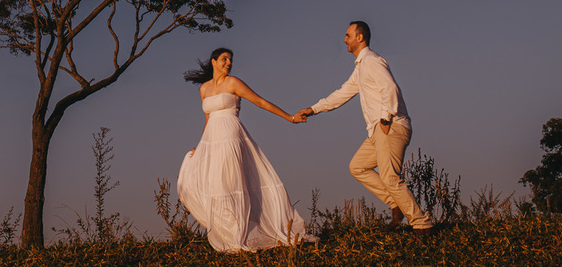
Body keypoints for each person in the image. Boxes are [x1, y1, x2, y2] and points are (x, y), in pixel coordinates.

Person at [297, 21, 433, 231]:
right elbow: (342, 93)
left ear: (359, 38)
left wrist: (386, 117)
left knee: (390, 177)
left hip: (390, 125)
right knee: (358, 167)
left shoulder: (371, 60)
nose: (344, 40)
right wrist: (314, 109)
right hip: (377, 131)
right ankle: (396, 203)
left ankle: (422, 225)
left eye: (348, 35)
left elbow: (390, 87)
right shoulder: (361, 67)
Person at [177, 47, 315, 252]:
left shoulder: (233, 82)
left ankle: (239, 236)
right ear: (213, 61)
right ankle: (229, 233)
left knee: (231, 185)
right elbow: (207, 120)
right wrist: (201, 147)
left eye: (230, 60)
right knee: (212, 184)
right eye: (224, 59)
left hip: (231, 136)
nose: (228, 63)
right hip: (211, 140)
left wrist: (289, 117)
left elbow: (260, 101)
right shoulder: (204, 89)